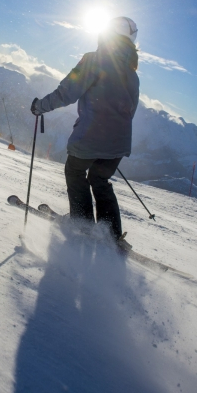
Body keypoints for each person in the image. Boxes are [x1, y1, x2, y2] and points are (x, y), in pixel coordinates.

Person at [31, 16, 139, 247]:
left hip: (91, 137)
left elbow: (66, 93)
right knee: (100, 179)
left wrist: (40, 106)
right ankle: (111, 234)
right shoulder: (133, 75)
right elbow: (130, 110)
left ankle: (83, 224)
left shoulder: (94, 60)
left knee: (74, 171)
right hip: (118, 143)